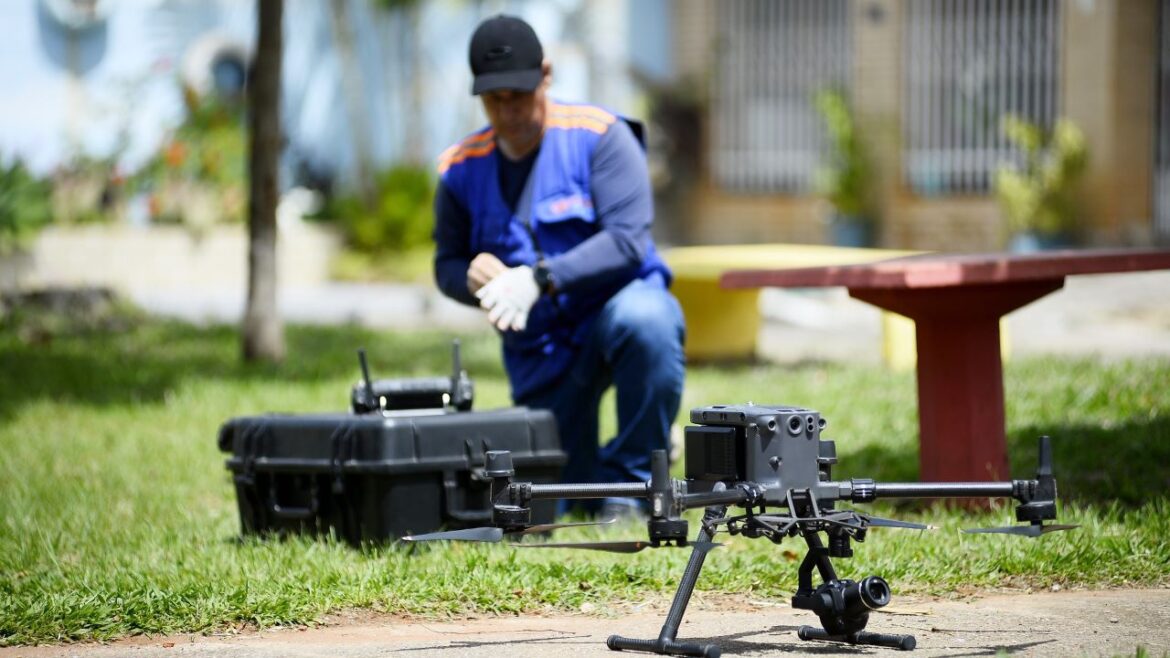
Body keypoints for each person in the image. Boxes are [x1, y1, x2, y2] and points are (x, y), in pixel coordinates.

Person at [431, 14, 686, 518]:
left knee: (648, 323)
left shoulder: (601, 137)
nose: (508, 112)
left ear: (546, 75)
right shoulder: (459, 169)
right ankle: (614, 468)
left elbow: (628, 241)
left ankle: (632, 482)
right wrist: (472, 278)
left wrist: (540, 278)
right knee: (561, 499)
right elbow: (446, 263)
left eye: (518, 96)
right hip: (542, 347)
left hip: (616, 308)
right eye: (494, 100)